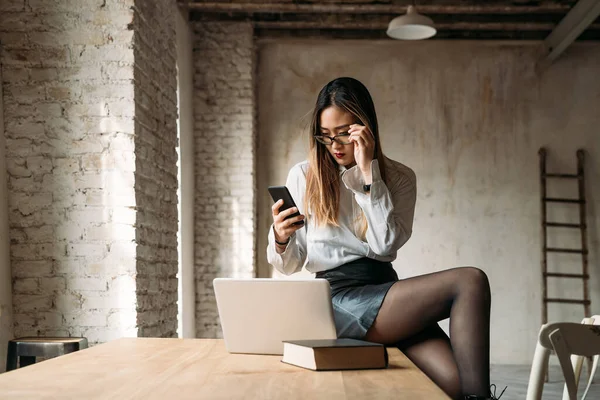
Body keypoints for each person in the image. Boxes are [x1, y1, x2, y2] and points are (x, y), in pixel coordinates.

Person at [266, 77, 504, 400]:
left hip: (387, 295)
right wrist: (280, 238)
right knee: (470, 281)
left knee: (456, 385)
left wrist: (369, 176)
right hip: (337, 300)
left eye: (343, 134)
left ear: (364, 128)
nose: (334, 145)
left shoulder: (401, 179)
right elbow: (291, 264)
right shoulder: (304, 176)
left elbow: (385, 244)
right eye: (325, 137)